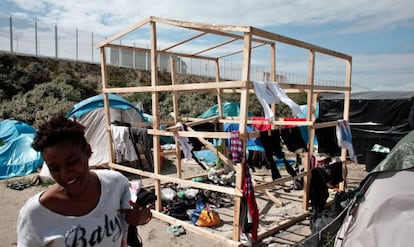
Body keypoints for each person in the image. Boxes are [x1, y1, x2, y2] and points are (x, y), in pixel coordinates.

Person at [17, 113, 152, 247]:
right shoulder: (35, 214)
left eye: (72, 162)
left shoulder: (115, 184)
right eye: (55, 168)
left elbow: (139, 216)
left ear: (87, 151)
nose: (65, 174)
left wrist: (140, 217)